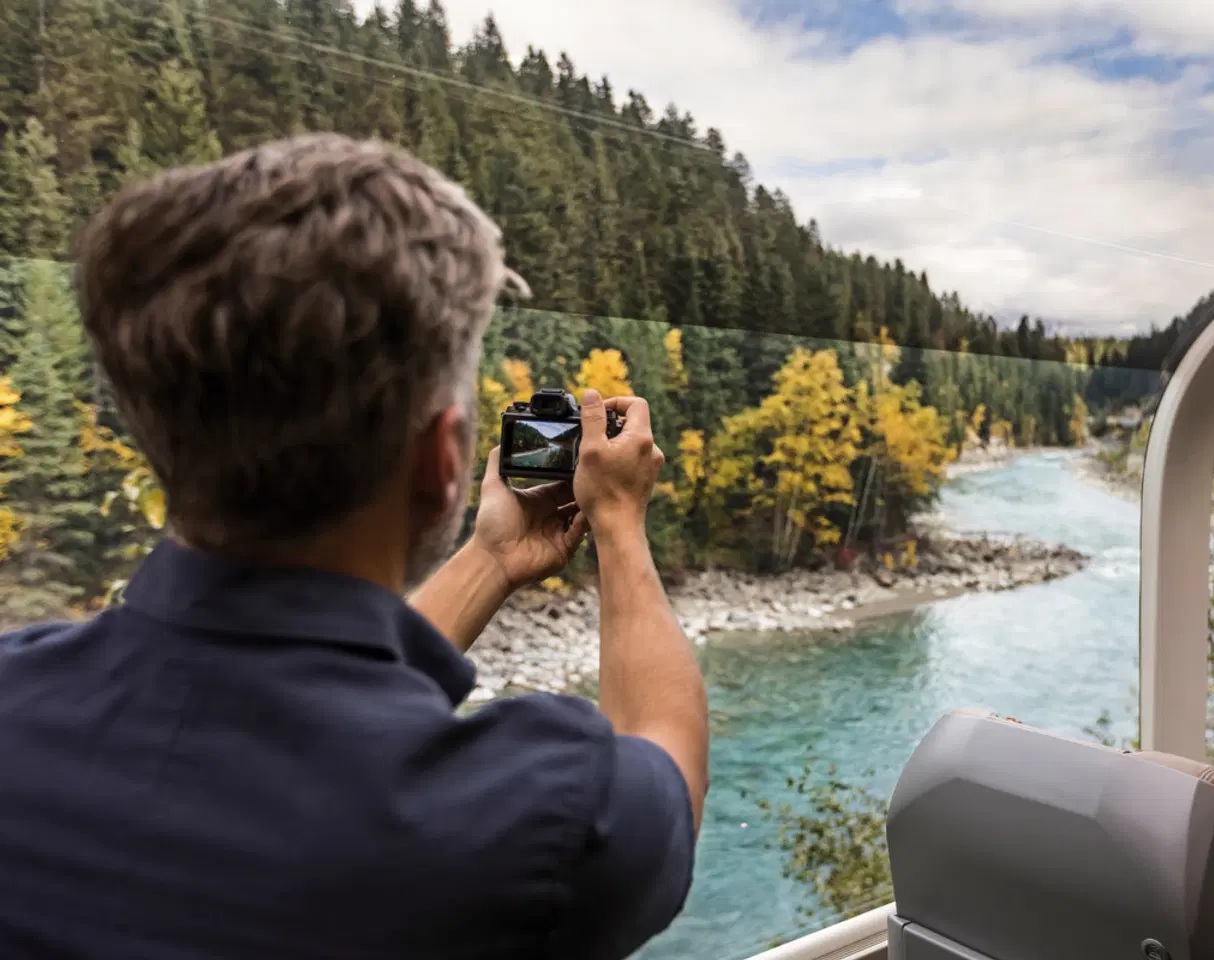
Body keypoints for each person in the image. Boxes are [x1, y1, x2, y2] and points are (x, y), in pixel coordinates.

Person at [0, 134, 709, 960]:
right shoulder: (523, 816)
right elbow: (667, 760)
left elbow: (291, 710)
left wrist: (491, 559)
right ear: (444, 461)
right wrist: (617, 519)